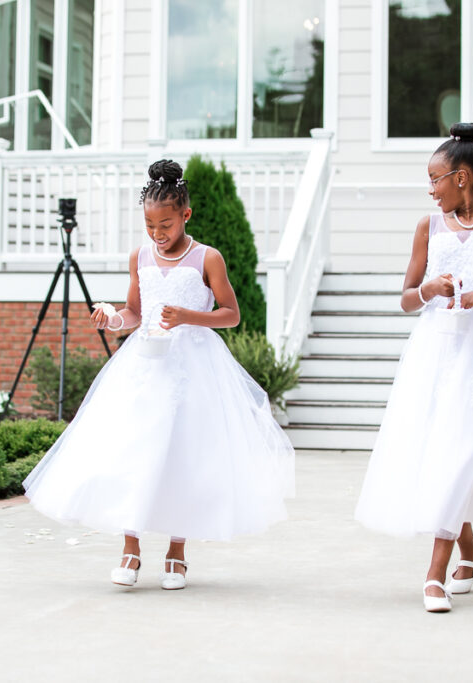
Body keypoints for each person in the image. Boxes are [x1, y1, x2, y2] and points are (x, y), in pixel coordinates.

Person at [23, 159, 295, 590]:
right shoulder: (140, 257)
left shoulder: (208, 257)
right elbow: (136, 312)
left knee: (183, 456)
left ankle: (177, 552)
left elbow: (231, 315)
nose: (157, 234)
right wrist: (112, 318)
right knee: (132, 451)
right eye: (150, 225)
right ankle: (130, 548)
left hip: (194, 368)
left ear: (185, 215)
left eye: (165, 224)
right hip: (145, 365)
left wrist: (188, 315)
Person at [354, 123, 473, 613]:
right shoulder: (428, 227)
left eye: (435, 179)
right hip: (433, 353)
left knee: (466, 448)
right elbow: (405, 299)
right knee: (438, 452)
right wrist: (428, 292)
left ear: (462, 178)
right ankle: (470, 548)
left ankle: (434, 573)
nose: (431, 189)